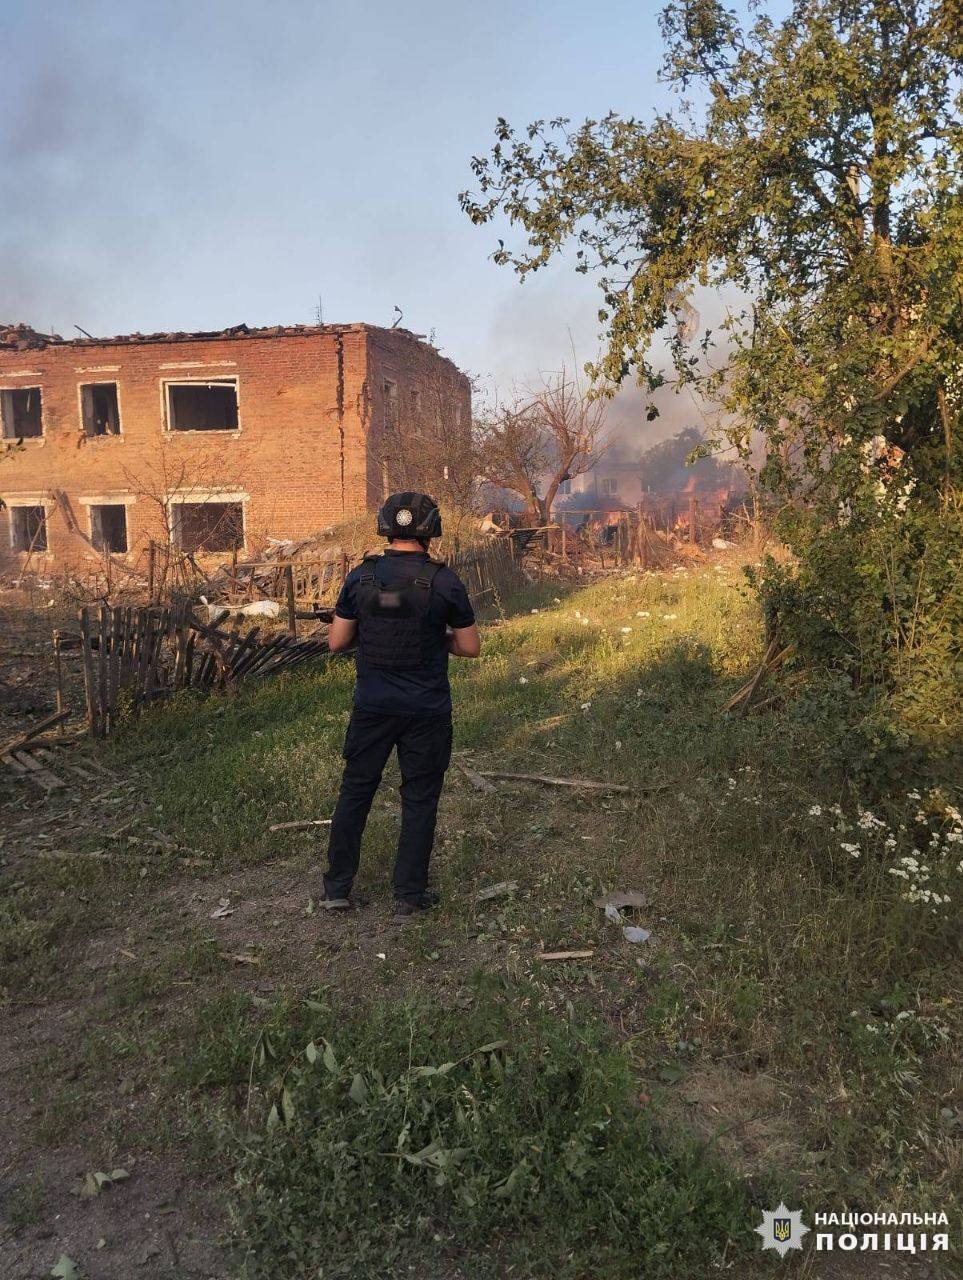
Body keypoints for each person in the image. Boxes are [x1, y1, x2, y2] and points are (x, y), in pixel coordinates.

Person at [322, 492, 481, 922]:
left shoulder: (361, 578)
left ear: (385, 527)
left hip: (372, 707)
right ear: (431, 530)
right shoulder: (444, 581)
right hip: (426, 711)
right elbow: (469, 647)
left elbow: (337, 642)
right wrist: (436, 639)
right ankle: (408, 896)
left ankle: (337, 889)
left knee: (356, 791)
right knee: (420, 798)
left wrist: (370, 636)